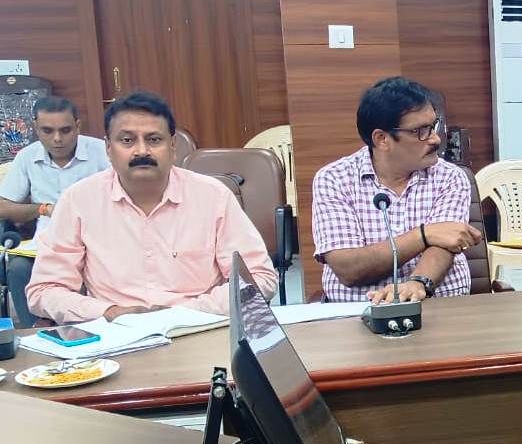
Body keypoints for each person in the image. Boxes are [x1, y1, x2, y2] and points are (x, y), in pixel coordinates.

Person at [26, 91, 277, 324]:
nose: (142, 151)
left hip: (198, 328)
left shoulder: (213, 196)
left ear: (173, 146)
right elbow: (44, 290)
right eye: (127, 140)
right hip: (116, 334)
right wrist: (108, 312)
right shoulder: (79, 201)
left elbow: (259, 278)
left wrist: (185, 312)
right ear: (108, 148)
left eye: (154, 140)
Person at [312, 77, 482, 304]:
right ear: (382, 139)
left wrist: (418, 283)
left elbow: (444, 244)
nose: (435, 139)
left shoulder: (450, 176)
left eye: (433, 126)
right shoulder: (335, 179)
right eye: (420, 131)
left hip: (439, 305)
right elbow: (349, 268)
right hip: (359, 311)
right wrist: (423, 235)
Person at [0, 96, 110, 326]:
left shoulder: (102, 151)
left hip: (98, 236)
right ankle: (35, 333)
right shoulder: (27, 156)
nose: (57, 139)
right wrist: (44, 208)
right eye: (48, 131)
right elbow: (3, 206)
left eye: (65, 130)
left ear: (78, 126)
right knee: (18, 269)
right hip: (48, 239)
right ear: (35, 128)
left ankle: (100, 327)